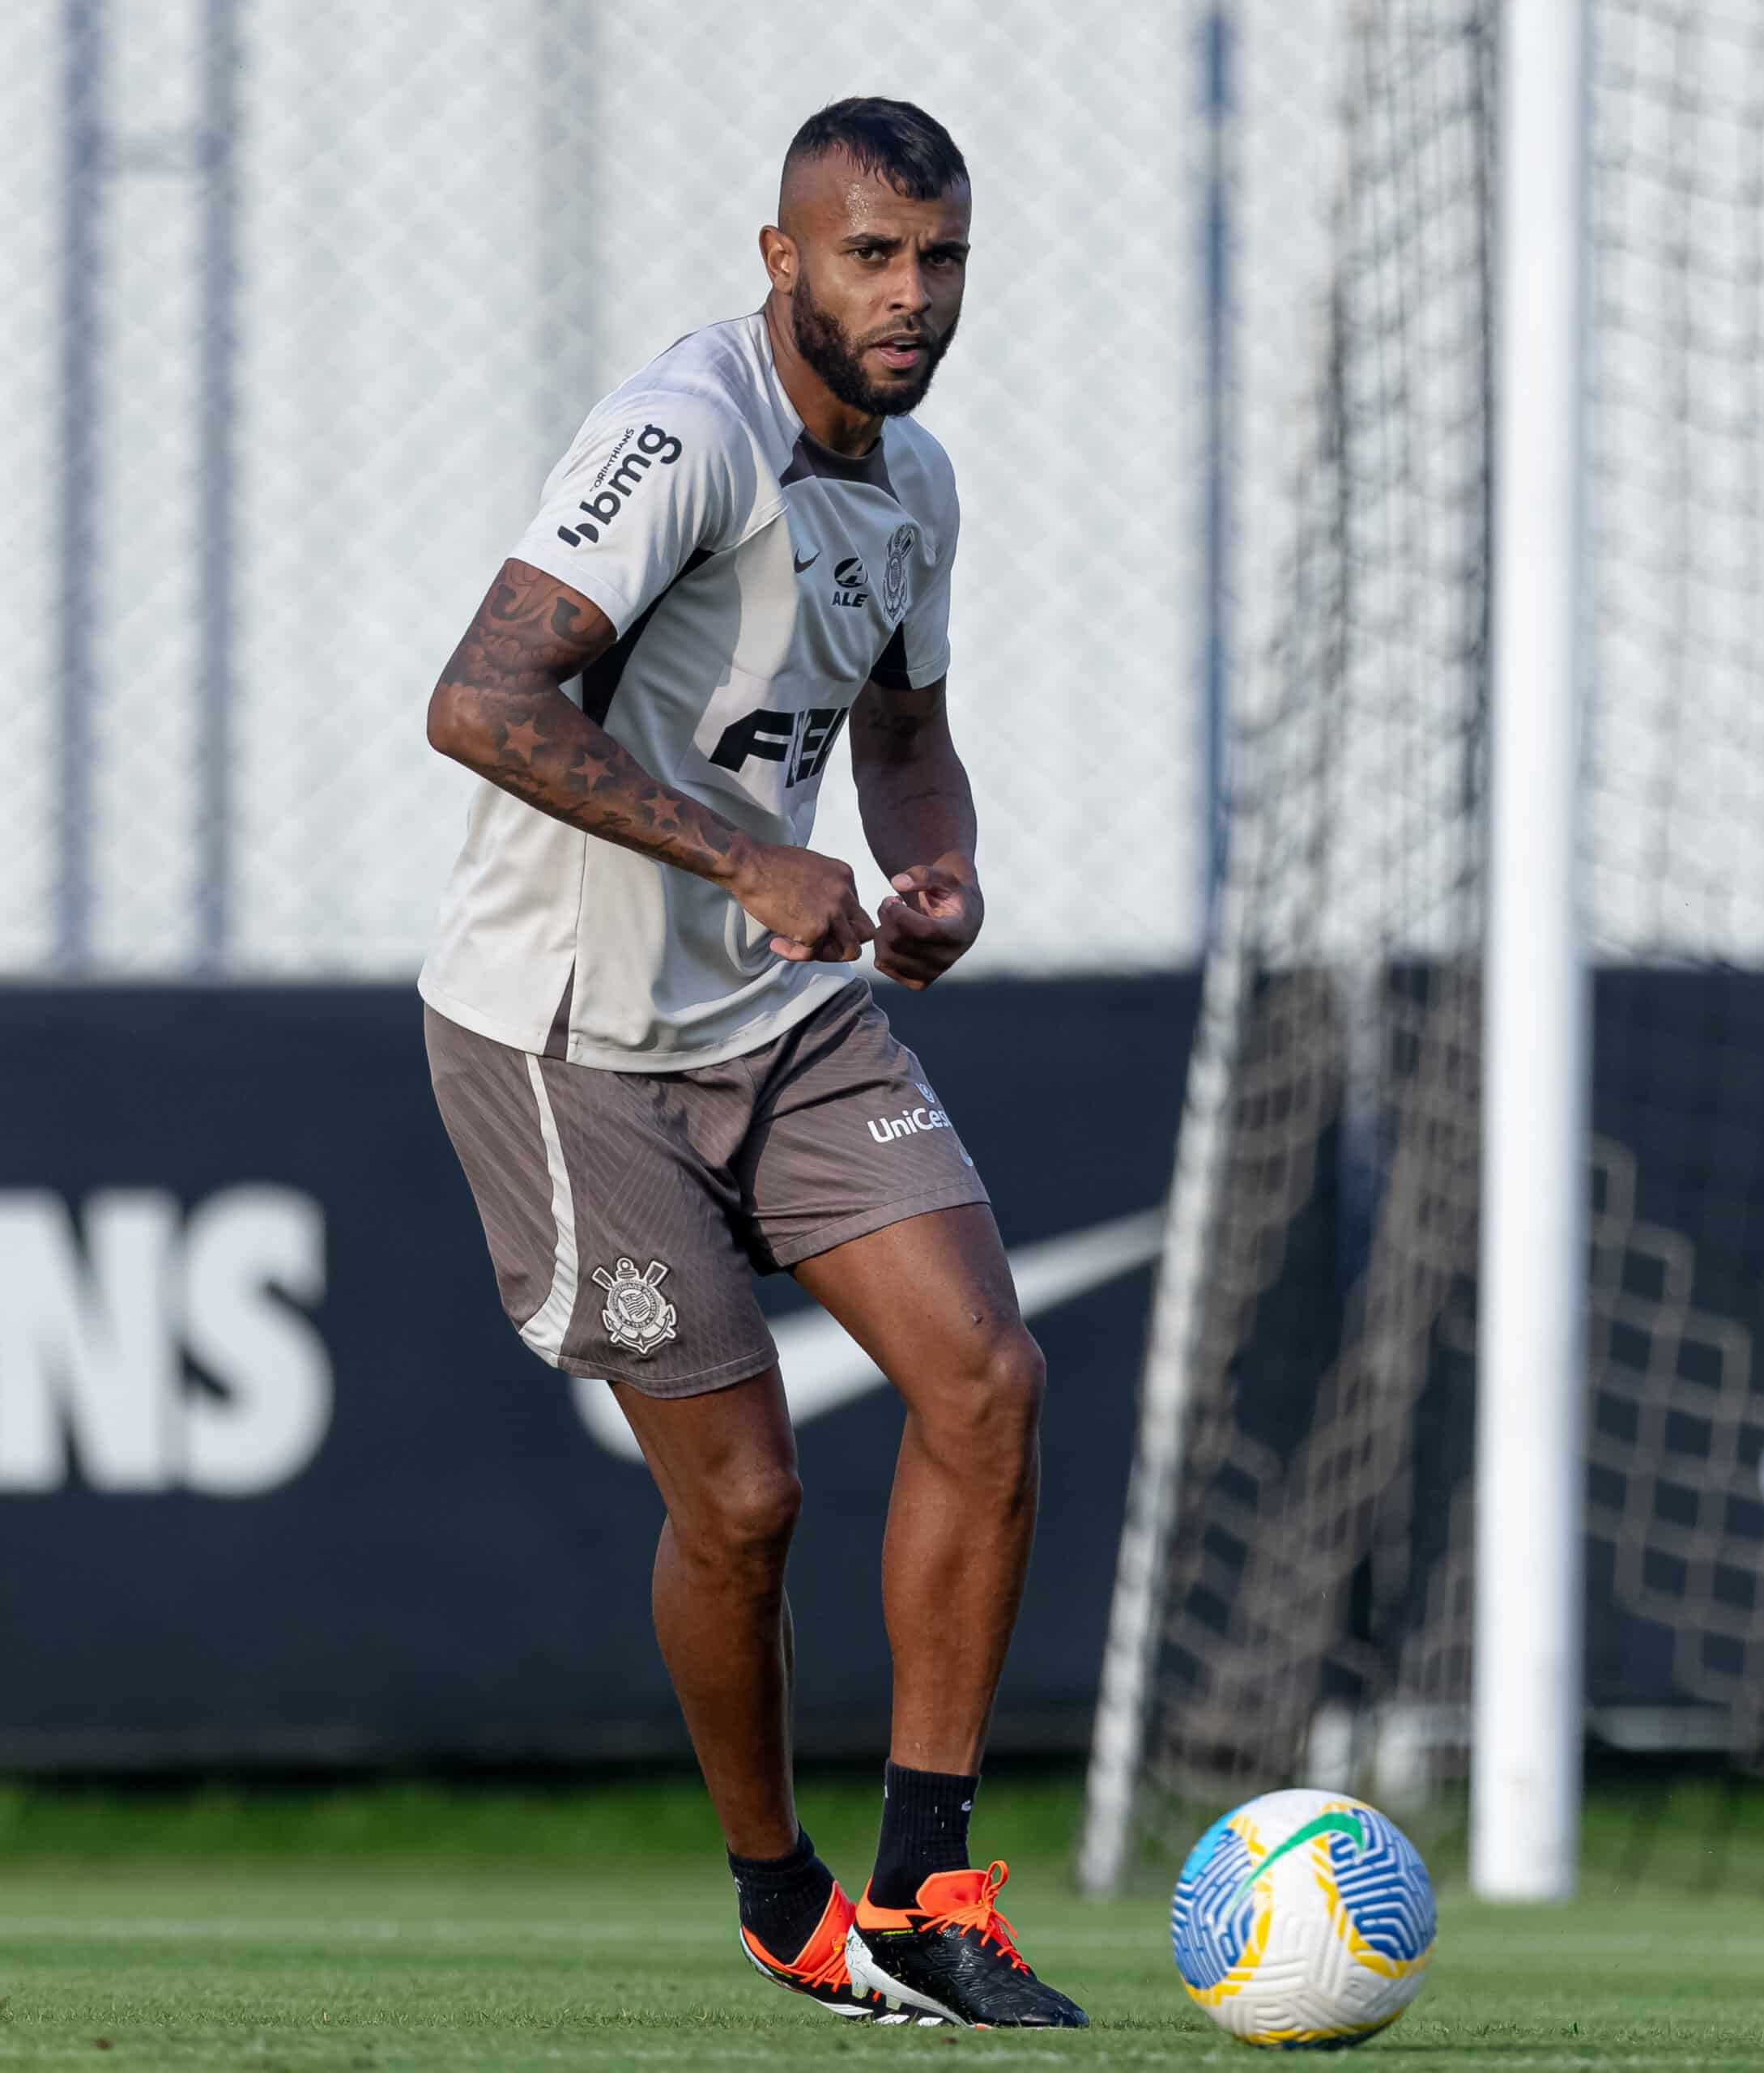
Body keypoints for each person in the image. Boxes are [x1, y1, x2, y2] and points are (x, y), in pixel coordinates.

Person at [418, 96, 1085, 2030]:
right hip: (566, 1038)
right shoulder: (683, 429)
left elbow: (897, 740)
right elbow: (477, 696)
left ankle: (932, 1891)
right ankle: (781, 1892)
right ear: (781, 256)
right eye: (870, 254)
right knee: (745, 1503)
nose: (911, 294)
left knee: (986, 1373)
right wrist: (741, 850)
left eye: (940, 257)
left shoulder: (917, 481)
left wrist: (934, 863)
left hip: (784, 1012)